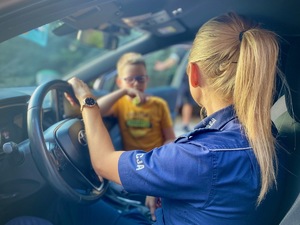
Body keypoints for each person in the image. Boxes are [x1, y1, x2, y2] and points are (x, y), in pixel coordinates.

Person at [66, 12, 286, 224]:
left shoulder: (201, 156)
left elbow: (103, 163)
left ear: (194, 73)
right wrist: (160, 183)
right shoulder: (270, 136)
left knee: (65, 207)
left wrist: (87, 99)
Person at [97, 52, 176, 151]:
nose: (136, 83)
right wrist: (124, 91)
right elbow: (96, 110)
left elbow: (170, 138)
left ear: (147, 80)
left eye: (141, 79)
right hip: (132, 160)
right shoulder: (120, 103)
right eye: (130, 79)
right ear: (119, 82)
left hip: (154, 157)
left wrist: (162, 153)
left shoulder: (159, 104)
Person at [154, 44, 195, 132]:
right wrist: (163, 66)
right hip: (185, 78)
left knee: (185, 101)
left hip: (187, 79)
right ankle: (173, 123)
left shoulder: (187, 49)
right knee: (181, 101)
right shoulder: (183, 49)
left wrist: (162, 66)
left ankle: (183, 124)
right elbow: (173, 60)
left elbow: (172, 60)